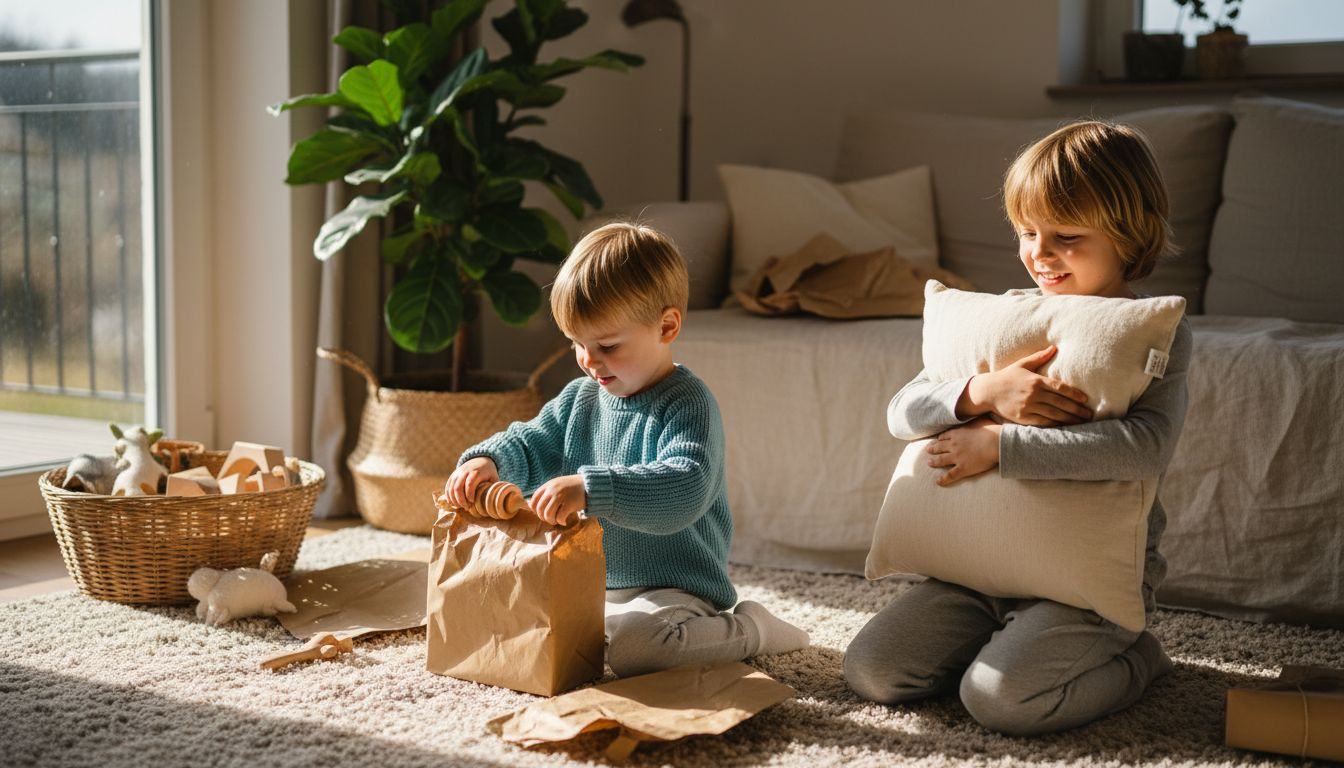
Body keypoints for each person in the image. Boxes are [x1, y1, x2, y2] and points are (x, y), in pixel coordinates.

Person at [843, 120, 1192, 735]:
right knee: (873, 672)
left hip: (1083, 587)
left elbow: (1146, 448)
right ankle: (1002, 640)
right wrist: (981, 392)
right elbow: (901, 413)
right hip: (974, 573)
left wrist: (1001, 446)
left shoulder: (1151, 330)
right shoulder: (1000, 321)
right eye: (1028, 233)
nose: (1040, 253)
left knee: (1000, 700)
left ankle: (1139, 658)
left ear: (1130, 232)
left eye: (1067, 236)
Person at [444, 222, 810, 677]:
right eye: (577, 344)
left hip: (672, 588)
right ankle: (605, 629)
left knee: (638, 652)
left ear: (666, 326)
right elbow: (531, 440)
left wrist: (591, 489)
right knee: (501, 616)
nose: (588, 360)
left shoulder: (688, 403)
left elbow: (686, 487)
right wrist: (489, 460)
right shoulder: (580, 399)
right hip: (588, 583)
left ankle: (753, 629)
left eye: (607, 345)